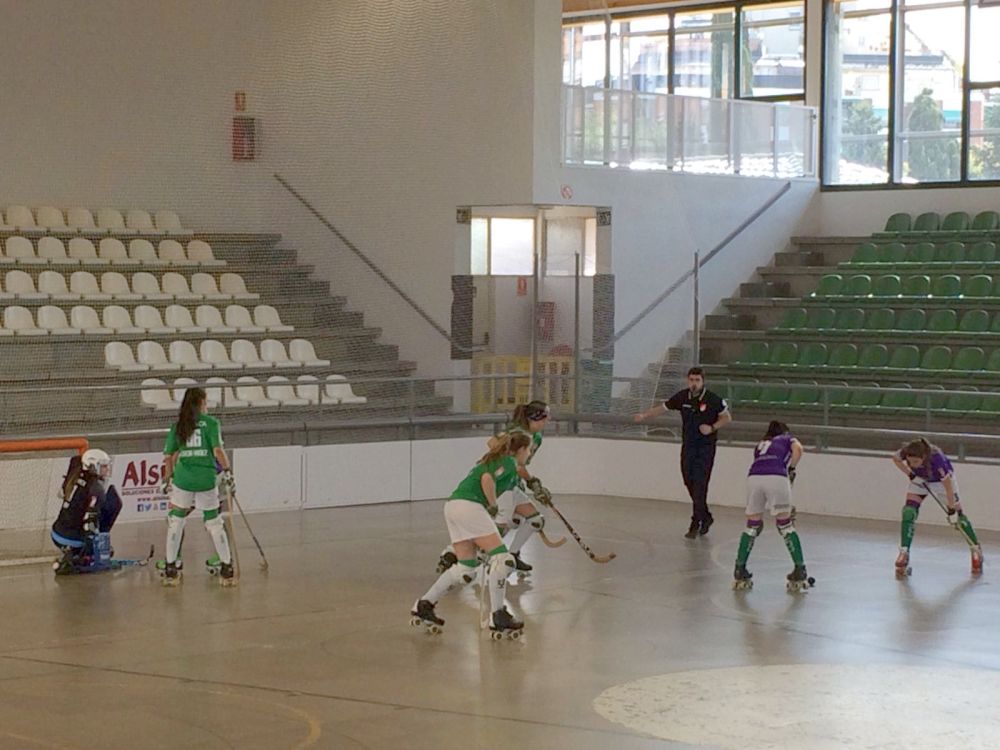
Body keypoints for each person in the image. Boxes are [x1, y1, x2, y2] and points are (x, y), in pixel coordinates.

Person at [411, 432, 533, 637]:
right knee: (503, 560)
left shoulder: (498, 460)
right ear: (520, 450)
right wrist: (493, 505)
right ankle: (498, 614)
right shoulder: (509, 463)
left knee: (465, 569)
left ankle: (425, 604)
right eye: (528, 449)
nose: (529, 454)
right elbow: (487, 479)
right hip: (470, 506)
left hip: (453, 506)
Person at [436, 400, 552, 575]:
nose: (548, 421)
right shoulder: (516, 432)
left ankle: (512, 555)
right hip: (503, 486)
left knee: (535, 519)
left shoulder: (537, 437)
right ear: (535, 418)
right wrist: (530, 480)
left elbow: (522, 464)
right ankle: (455, 553)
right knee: (496, 526)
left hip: (513, 484)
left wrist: (528, 481)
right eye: (546, 417)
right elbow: (492, 443)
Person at [634, 366, 731, 538]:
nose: (694, 384)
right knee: (689, 480)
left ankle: (696, 521)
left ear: (703, 381)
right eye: (691, 380)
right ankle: (706, 516)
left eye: (697, 380)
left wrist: (712, 427)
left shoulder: (712, 399)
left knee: (701, 483)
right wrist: (644, 415)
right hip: (688, 445)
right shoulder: (682, 397)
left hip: (705, 447)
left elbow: (726, 417)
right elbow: (663, 407)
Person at [161, 387, 235, 586]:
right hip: (205, 480)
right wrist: (228, 471)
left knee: (176, 521)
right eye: (206, 401)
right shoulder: (211, 424)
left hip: (183, 480)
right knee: (214, 523)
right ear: (201, 403)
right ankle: (227, 569)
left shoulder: (179, 425)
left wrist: (167, 479)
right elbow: (218, 450)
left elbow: (168, 457)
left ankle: (170, 568)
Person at [733, 421, 810, 592]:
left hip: (753, 478)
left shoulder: (760, 444)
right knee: (785, 523)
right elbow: (799, 449)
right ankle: (799, 568)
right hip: (776, 476)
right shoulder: (786, 438)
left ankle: (740, 568)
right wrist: (791, 468)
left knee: (752, 524)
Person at [892, 438, 983, 578]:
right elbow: (896, 459)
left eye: (916, 462)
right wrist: (911, 474)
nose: (912, 465)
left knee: (958, 517)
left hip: (941, 484)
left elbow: (948, 486)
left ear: (924, 457)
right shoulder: (908, 451)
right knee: (908, 512)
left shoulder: (937, 460)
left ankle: (976, 549)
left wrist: (951, 509)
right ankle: (904, 551)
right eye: (909, 462)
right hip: (920, 481)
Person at [51, 448, 123, 574]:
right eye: (103, 466)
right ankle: (75, 555)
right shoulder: (95, 489)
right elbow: (89, 521)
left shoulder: (75, 474)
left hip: (56, 533)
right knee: (113, 503)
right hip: (70, 538)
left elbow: (75, 460)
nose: (106, 469)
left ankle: (73, 553)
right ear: (93, 466)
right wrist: (94, 548)